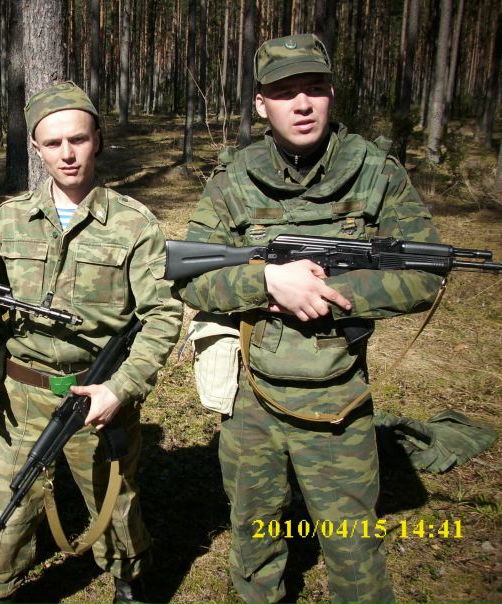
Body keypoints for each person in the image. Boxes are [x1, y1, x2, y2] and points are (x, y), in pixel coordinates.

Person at [179, 34, 444, 604]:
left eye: (314, 88)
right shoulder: (232, 181)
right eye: (284, 92)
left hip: (338, 398)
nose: (301, 104)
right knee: (254, 538)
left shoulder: (375, 174)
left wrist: (329, 291)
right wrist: (268, 282)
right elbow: (190, 276)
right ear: (260, 104)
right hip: (251, 401)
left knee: (353, 548)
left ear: (331, 93)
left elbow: (425, 273)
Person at [0, 81, 182, 604]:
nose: (67, 153)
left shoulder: (134, 224)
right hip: (20, 393)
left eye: (78, 139)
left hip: (96, 393)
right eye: (53, 142)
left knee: (113, 503)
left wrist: (120, 388)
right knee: (9, 502)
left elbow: (161, 315)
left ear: (97, 140)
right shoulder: (6, 219)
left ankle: (129, 581)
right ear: (36, 149)